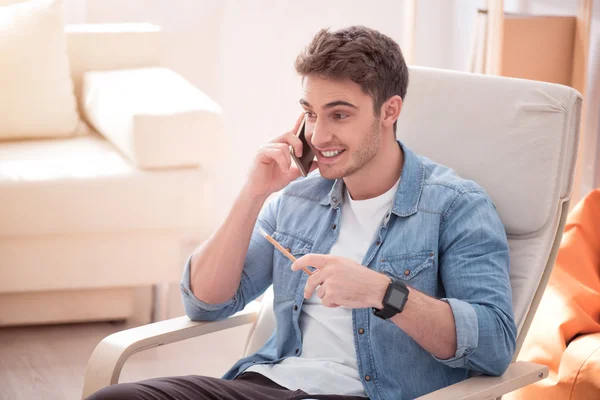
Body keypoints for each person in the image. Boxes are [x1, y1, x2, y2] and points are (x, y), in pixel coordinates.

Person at [88, 25, 517, 400]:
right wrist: (254, 192)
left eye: (339, 115)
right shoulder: (298, 200)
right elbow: (205, 302)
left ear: (390, 111)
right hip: (267, 384)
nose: (319, 133)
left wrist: (382, 293)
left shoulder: (456, 206)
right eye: (311, 114)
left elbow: (495, 345)